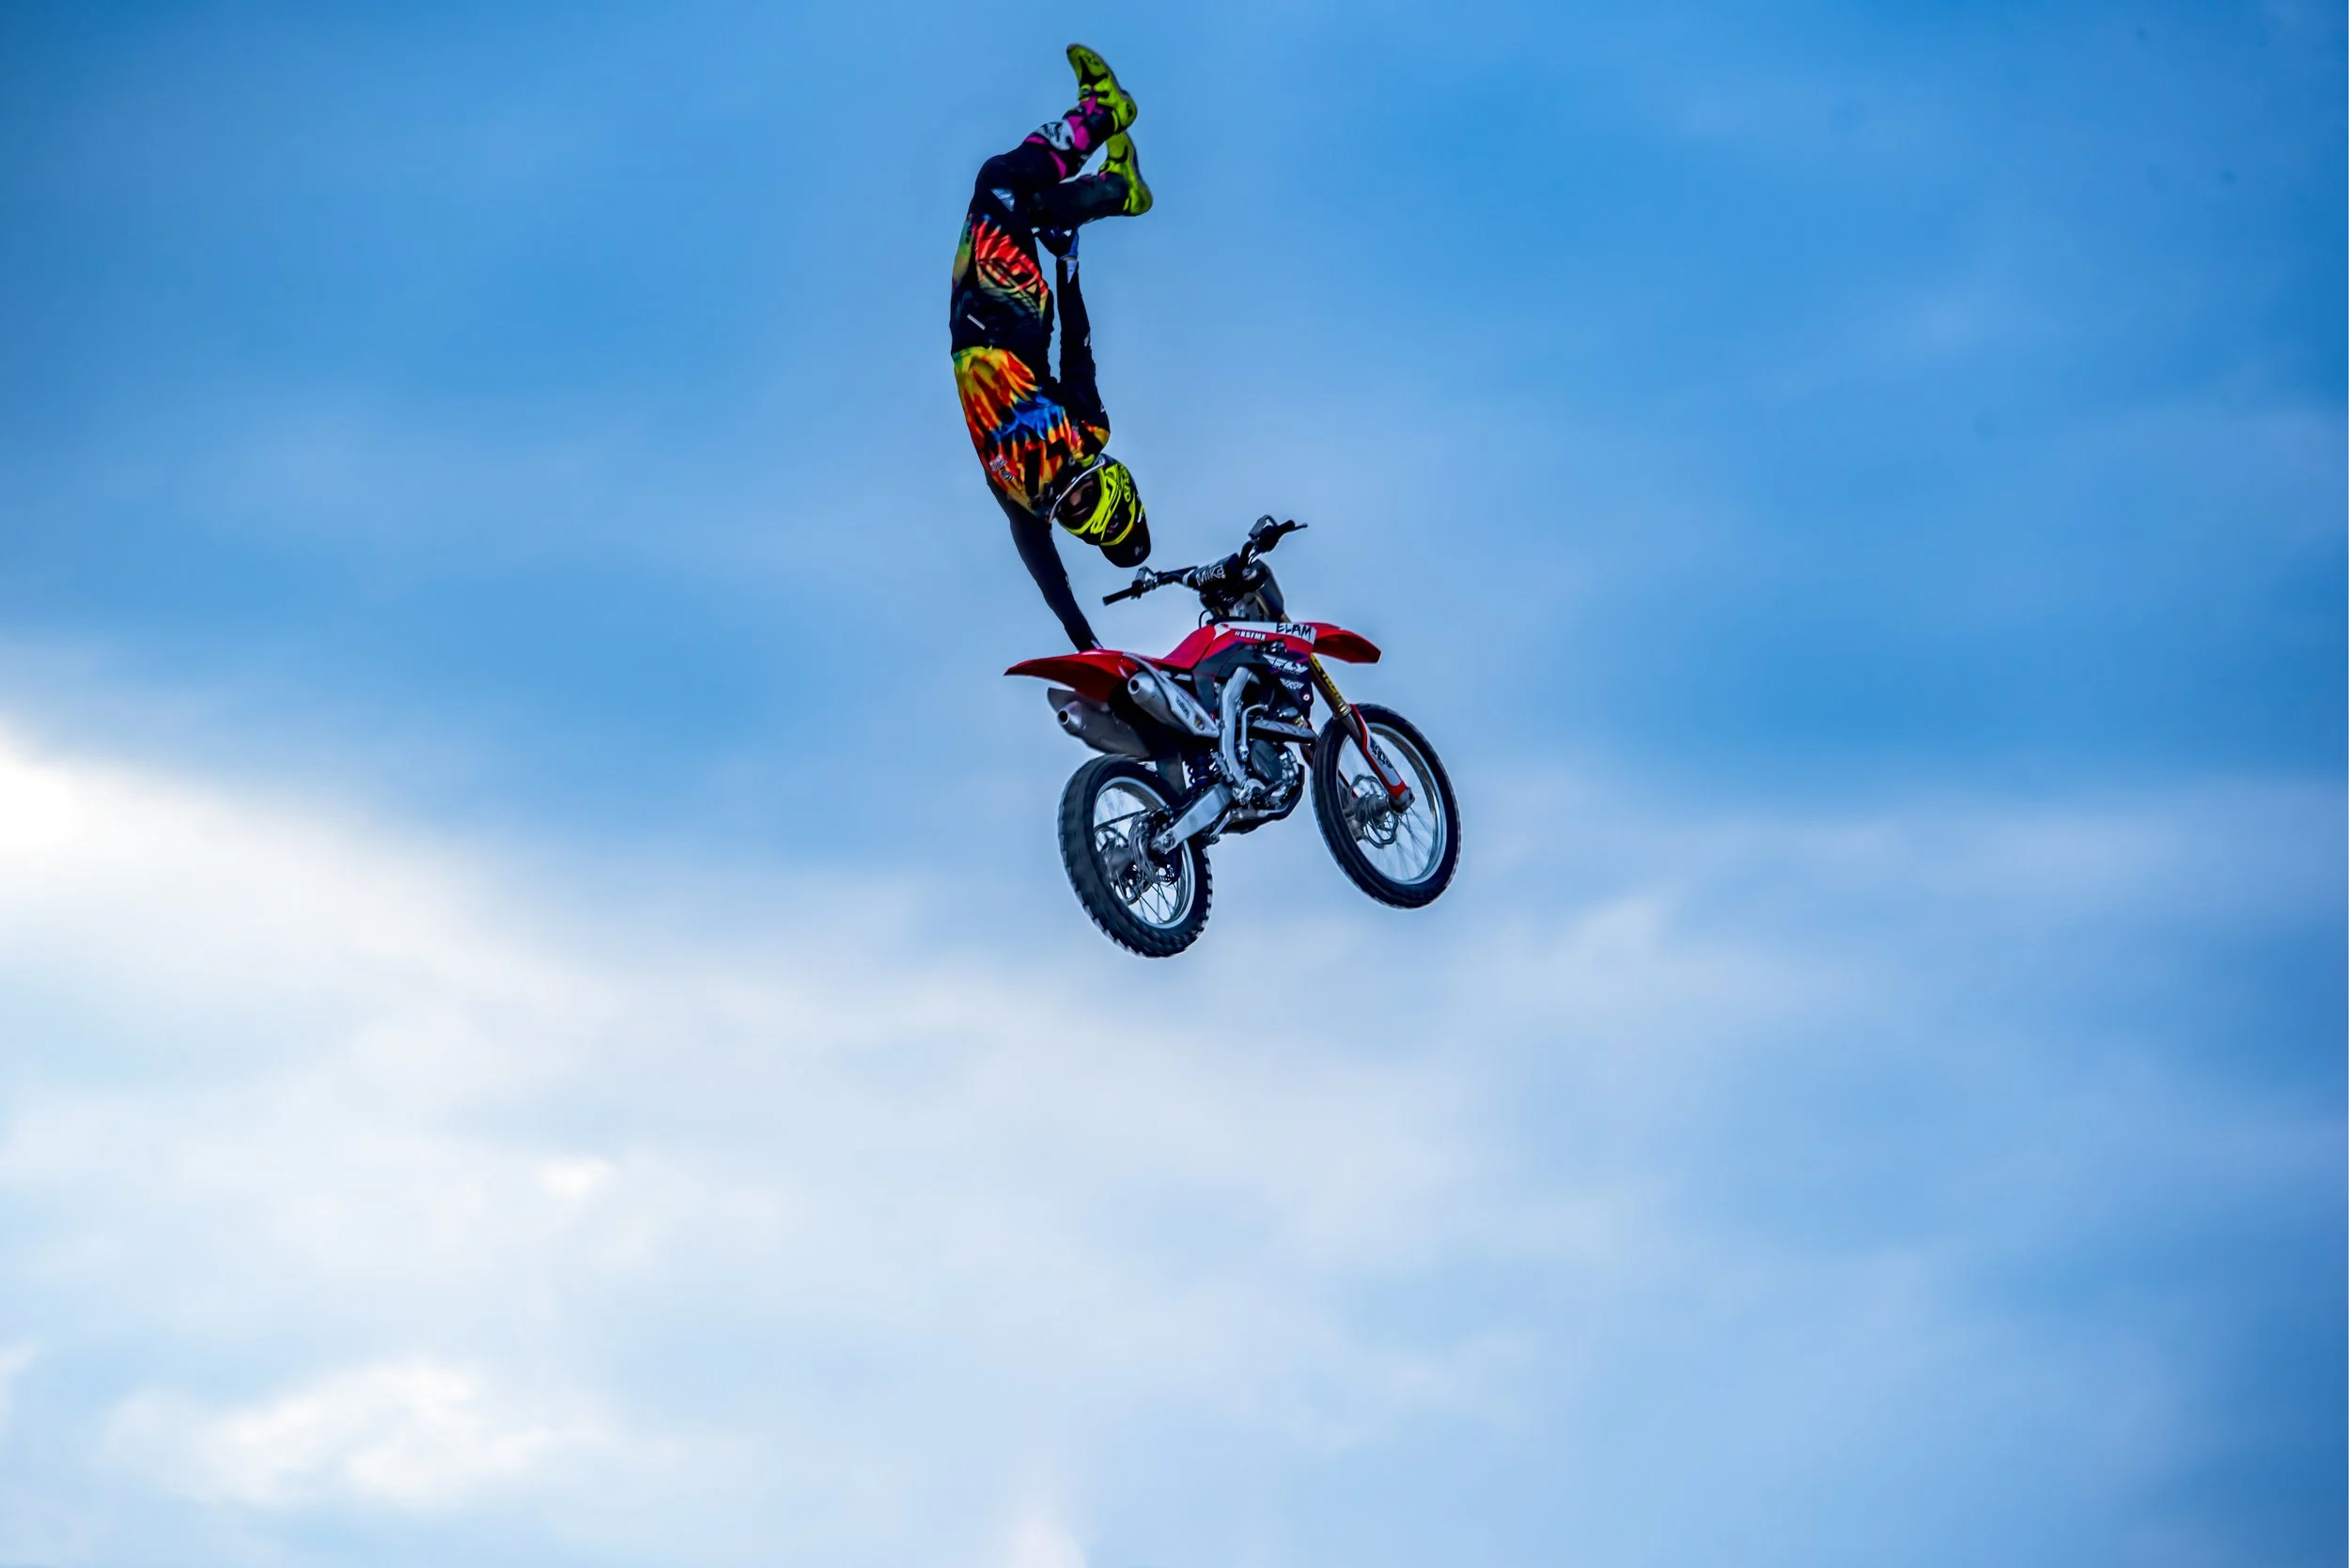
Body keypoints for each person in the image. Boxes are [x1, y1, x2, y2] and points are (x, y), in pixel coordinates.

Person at [951, 44, 1154, 652]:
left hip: (967, 326)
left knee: (1026, 201)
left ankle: (1119, 189)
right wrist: (1067, 266)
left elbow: (1054, 588)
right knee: (999, 183)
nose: (1071, 497)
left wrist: (1090, 652)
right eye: (1090, 495)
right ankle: (1102, 114)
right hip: (1015, 319)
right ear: (1108, 477)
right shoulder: (1089, 432)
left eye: (1075, 514)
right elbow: (1078, 352)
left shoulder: (1026, 510)